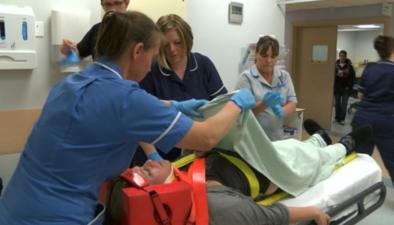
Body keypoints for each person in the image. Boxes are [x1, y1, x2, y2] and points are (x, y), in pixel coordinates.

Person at [0, 11, 256, 225]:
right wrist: (238, 101)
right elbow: (207, 137)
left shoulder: (72, 84)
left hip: (12, 207)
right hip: (57, 218)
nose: (152, 65)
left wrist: (175, 105)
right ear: (138, 51)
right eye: (154, 55)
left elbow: (107, 109)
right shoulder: (126, 98)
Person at [105, 119, 373, 225]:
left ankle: (319, 136)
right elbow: (271, 216)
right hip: (277, 173)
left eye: (143, 164)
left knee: (293, 144)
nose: (150, 162)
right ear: (161, 198)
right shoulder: (212, 205)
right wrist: (314, 211)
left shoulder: (179, 173)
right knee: (317, 157)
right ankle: (346, 144)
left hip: (257, 155)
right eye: (147, 171)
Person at [139, 14, 227, 161]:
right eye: (166, 45)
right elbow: (139, 116)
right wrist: (152, 155)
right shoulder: (151, 70)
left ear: (188, 40)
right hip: (161, 154)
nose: (172, 50)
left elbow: (222, 106)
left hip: (200, 152)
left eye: (178, 43)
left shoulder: (203, 65)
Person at [351, 35, 394, 213]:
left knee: (360, 160)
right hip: (385, 121)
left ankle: (354, 199)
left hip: (363, 120)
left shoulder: (370, 68)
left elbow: (360, 95)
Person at [236, 35, 297, 141]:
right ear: (256, 54)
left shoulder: (284, 76)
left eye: (273, 56)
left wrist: (282, 110)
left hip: (277, 137)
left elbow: (293, 103)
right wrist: (264, 104)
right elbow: (242, 112)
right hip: (252, 138)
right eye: (264, 56)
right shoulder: (246, 78)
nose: (269, 61)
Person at [59, 0, 130, 59]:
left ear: (126, 3)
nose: (113, 9)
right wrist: (69, 49)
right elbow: (79, 53)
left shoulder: (136, 28)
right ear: (102, 6)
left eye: (117, 3)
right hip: (100, 75)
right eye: (108, 4)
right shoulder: (96, 29)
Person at [334, 50, 356, 125]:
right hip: (337, 88)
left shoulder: (350, 66)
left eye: (343, 56)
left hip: (346, 89)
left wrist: (349, 86)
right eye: (340, 56)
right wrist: (336, 74)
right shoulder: (335, 66)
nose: (341, 57)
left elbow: (353, 78)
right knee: (337, 104)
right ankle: (337, 118)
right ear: (339, 56)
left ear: (345, 57)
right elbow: (331, 77)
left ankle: (342, 119)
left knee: (344, 105)